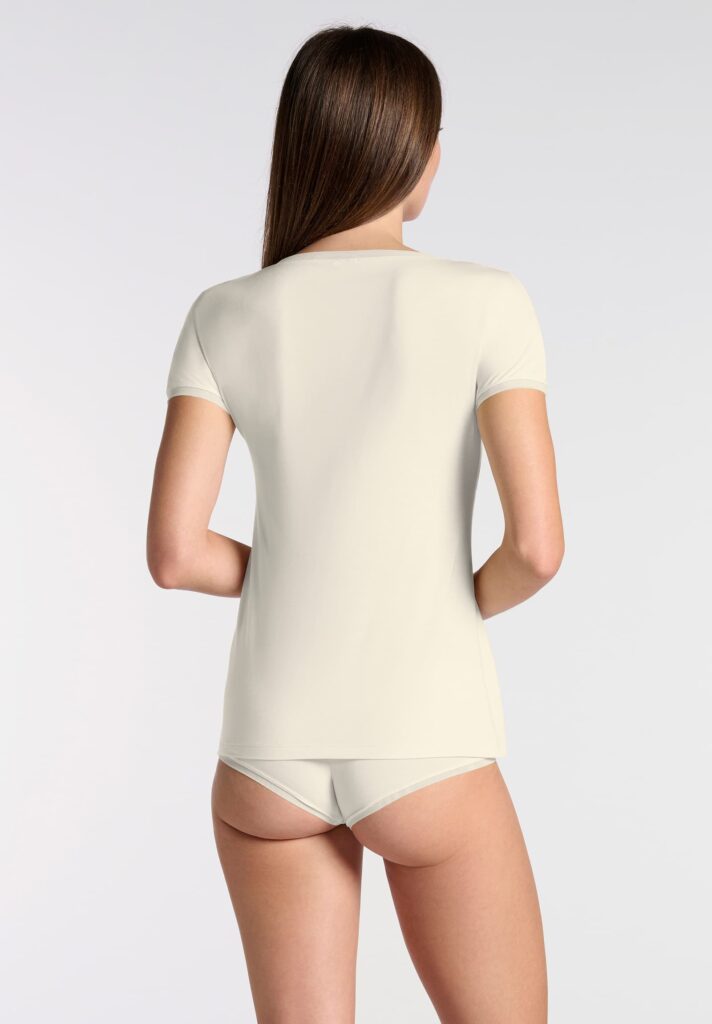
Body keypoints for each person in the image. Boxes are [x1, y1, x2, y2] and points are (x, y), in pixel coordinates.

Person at [147, 23, 564, 1024]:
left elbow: (176, 553)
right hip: (425, 738)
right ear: (416, 151)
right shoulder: (486, 300)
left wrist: (301, 571)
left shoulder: (223, 313)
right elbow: (537, 549)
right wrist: (441, 601)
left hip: (267, 755)